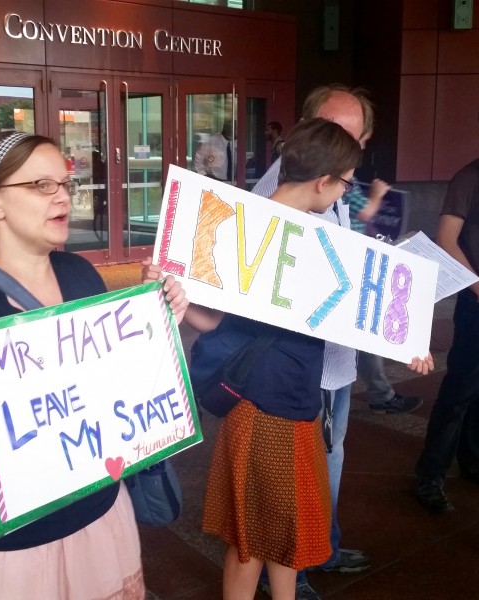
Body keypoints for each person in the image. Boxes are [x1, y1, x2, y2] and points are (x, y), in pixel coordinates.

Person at [0, 131, 188, 599]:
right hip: (16, 546)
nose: (61, 195)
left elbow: (119, 382)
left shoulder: (80, 274)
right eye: (41, 185)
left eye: (65, 184)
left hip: (101, 513)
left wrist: (156, 323)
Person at [146, 117, 364, 600]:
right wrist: (171, 295)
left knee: (276, 539)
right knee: (253, 544)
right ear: (323, 181)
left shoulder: (262, 225)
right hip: (266, 405)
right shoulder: (262, 228)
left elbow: (213, 319)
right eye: (345, 182)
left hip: (292, 401)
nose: (344, 194)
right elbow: (211, 318)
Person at [252, 84, 433, 600]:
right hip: (296, 370)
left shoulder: (335, 185)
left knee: (327, 462)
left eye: (352, 134)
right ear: (308, 131)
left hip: (333, 362)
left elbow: (343, 267)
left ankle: (320, 550)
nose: (343, 145)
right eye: (332, 130)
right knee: (300, 474)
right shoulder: (288, 188)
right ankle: (295, 568)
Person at [415, 158, 479, 513]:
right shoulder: (468, 177)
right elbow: (446, 240)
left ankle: (472, 460)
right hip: (475, 301)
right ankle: (430, 476)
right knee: (460, 391)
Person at [346, 131, 424, 415]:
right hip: (353, 267)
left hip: (358, 263)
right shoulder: (345, 183)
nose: (363, 149)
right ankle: (380, 394)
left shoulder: (346, 182)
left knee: (367, 337)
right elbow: (366, 212)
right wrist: (378, 194)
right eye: (361, 143)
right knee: (366, 336)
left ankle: (381, 393)